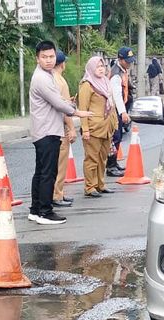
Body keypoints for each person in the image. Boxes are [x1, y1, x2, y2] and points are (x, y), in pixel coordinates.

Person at [28, 41, 94, 225]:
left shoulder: (47, 75)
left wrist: (69, 107)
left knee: (41, 172)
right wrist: (77, 111)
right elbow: (58, 103)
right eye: (44, 57)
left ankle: (35, 210)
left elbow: (57, 101)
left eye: (51, 57)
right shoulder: (42, 78)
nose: (49, 60)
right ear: (37, 58)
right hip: (47, 131)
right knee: (48, 172)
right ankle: (45, 212)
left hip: (44, 130)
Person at [78, 56, 118, 199]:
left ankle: (101, 184)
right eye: (98, 66)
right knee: (91, 158)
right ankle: (90, 186)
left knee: (102, 158)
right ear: (90, 68)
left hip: (107, 127)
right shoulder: (87, 85)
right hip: (93, 128)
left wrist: (114, 123)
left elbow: (111, 105)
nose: (101, 69)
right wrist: (85, 129)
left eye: (103, 66)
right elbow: (82, 108)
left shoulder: (106, 82)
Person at [51, 50, 77, 209]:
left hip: (54, 128)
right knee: (60, 165)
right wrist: (72, 128)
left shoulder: (51, 79)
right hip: (61, 128)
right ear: (62, 64)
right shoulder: (60, 81)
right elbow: (64, 109)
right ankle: (57, 195)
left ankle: (57, 193)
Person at [108, 46, 136, 177]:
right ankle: (110, 166)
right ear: (120, 59)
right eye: (127, 60)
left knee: (118, 137)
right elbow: (116, 96)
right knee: (115, 137)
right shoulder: (116, 75)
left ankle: (114, 164)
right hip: (114, 111)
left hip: (118, 109)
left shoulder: (122, 70)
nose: (129, 63)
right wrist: (122, 113)